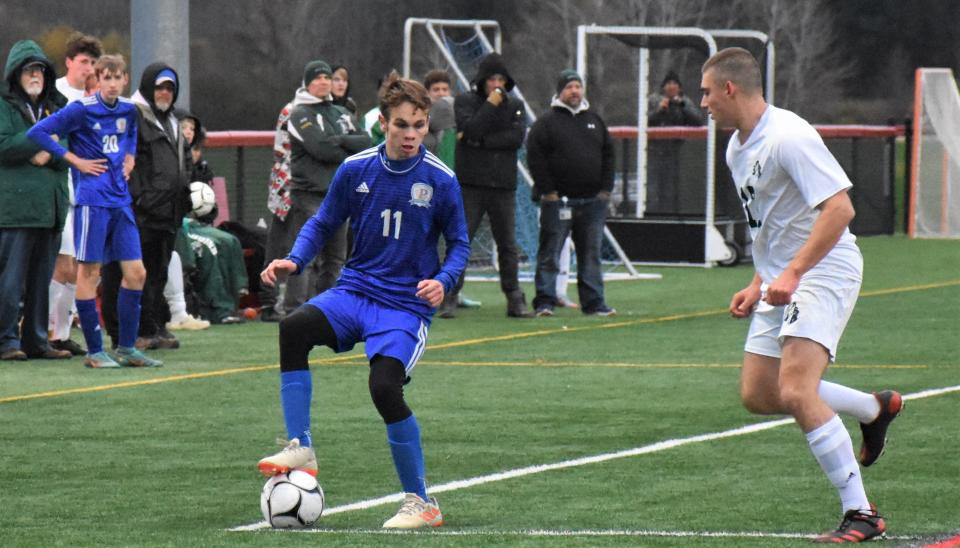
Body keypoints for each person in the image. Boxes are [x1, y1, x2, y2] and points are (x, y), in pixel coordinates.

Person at [700, 47, 901, 543]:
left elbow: (840, 210)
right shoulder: (735, 148)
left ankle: (862, 513)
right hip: (784, 276)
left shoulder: (789, 135)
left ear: (730, 89)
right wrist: (757, 280)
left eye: (706, 92)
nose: (702, 103)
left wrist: (791, 272)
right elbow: (766, 224)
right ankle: (875, 409)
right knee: (759, 394)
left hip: (825, 268)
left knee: (795, 389)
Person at [257, 73, 469, 529]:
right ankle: (301, 445)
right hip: (355, 291)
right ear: (384, 125)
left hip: (404, 307)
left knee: (384, 388)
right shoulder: (356, 169)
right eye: (401, 126)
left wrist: (444, 280)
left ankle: (421, 502)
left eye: (418, 126)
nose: (410, 135)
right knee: (293, 328)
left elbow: (460, 244)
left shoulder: (440, 180)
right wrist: (295, 259)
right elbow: (323, 222)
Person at [28, 54, 161, 368]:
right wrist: (74, 160)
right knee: (89, 272)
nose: (113, 84)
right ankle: (94, 352)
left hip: (120, 201)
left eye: (118, 78)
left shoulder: (130, 109)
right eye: (106, 78)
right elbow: (38, 133)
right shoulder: (80, 110)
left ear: (125, 79)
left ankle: (126, 348)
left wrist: (129, 158)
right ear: (96, 80)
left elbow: (129, 135)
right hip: (92, 201)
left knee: (136, 273)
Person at [100, 62, 189, 351]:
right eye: (160, 86)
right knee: (123, 272)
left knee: (156, 273)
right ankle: (122, 333)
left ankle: (150, 326)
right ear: (148, 86)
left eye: (169, 88)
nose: (164, 92)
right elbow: (123, 159)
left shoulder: (173, 120)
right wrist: (139, 198)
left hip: (167, 212)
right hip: (138, 211)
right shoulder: (133, 114)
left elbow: (182, 163)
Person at [279, 60, 370, 314]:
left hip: (337, 195)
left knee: (335, 258)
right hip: (308, 194)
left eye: (327, 78)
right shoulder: (298, 114)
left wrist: (340, 139)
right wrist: (344, 148)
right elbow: (320, 149)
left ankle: (327, 308)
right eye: (317, 78)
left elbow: (366, 141)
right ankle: (294, 308)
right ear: (307, 83)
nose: (323, 82)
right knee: (304, 256)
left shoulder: (341, 112)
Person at [0, 40, 72, 361]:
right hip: (15, 210)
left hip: (51, 209)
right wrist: (42, 140)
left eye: (40, 69)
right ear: (16, 73)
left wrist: (50, 151)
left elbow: (70, 147)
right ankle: (6, 341)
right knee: (10, 280)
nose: (36, 75)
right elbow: (4, 145)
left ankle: (37, 340)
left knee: (41, 281)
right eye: (30, 69)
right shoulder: (3, 105)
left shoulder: (57, 106)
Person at [527, 69, 616, 317]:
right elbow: (536, 158)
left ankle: (594, 303)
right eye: (569, 87)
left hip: (592, 203)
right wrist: (549, 191)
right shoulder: (546, 123)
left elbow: (609, 155)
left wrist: (605, 190)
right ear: (560, 91)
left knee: (591, 254)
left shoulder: (595, 121)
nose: (575, 91)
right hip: (558, 202)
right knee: (550, 253)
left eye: (578, 86)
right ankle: (545, 301)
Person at [451, 52, 533, 318]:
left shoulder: (516, 105)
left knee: (507, 244)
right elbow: (470, 129)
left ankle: (514, 297)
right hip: (471, 184)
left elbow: (515, 138)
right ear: (482, 81)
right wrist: (491, 105)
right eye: (491, 79)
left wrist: (483, 142)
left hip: (502, 185)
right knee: (461, 240)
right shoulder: (464, 101)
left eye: (500, 79)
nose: (496, 84)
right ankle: (450, 294)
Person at [48, 33, 102, 356]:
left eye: (93, 63)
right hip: (61, 191)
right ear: (69, 62)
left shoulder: (96, 100)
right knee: (64, 265)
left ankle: (61, 331)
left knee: (84, 267)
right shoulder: (57, 94)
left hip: (88, 195)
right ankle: (52, 331)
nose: (88, 68)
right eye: (83, 61)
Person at [646, 70, 704, 215]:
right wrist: (659, 110)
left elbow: (698, 121)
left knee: (670, 191)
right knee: (652, 192)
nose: (671, 87)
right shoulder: (654, 100)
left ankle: (670, 218)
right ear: (663, 87)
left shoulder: (685, 101)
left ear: (679, 87)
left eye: (674, 84)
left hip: (675, 154)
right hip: (653, 153)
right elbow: (643, 121)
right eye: (668, 83)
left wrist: (682, 106)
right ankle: (652, 218)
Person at [260, 100, 295, 322]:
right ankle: (269, 301)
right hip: (289, 185)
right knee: (278, 244)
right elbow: (281, 150)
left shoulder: (339, 110)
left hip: (321, 187)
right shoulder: (292, 110)